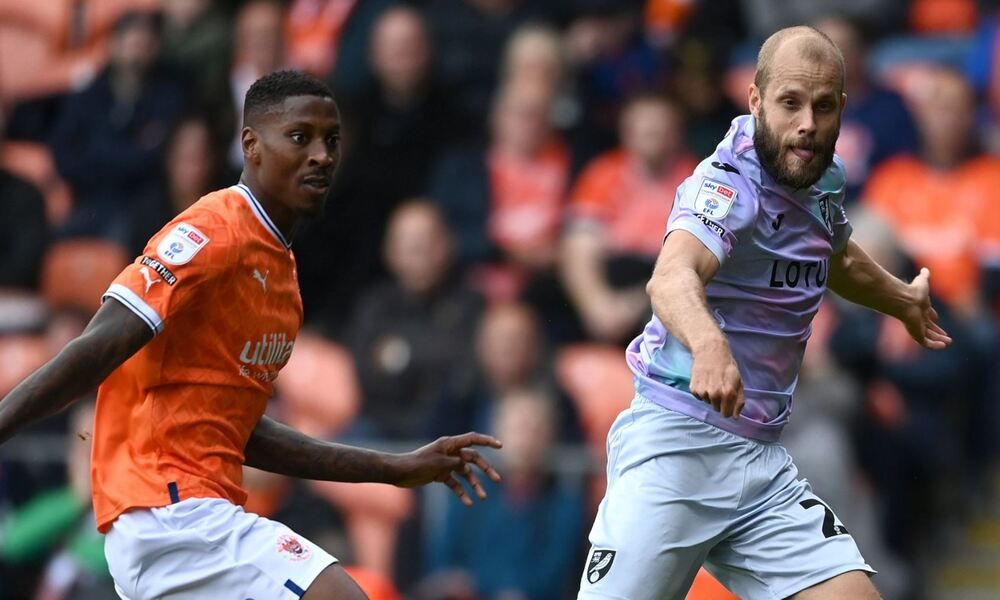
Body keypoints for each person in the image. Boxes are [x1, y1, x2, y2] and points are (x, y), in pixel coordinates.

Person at [0, 70, 502, 600]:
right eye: (300, 137)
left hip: (187, 515)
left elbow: (242, 432)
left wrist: (394, 467)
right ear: (251, 145)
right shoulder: (212, 232)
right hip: (170, 508)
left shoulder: (282, 278)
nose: (321, 156)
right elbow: (98, 346)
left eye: (332, 141)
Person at [577, 26, 951, 600]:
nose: (807, 123)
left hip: (762, 463)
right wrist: (708, 345)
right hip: (677, 452)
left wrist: (901, 299)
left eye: (823, 107)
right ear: (755, 100)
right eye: (790, 103)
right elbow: (672, 276)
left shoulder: (821, 175)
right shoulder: (726, 185)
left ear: (842, 107)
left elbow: (837, 255)